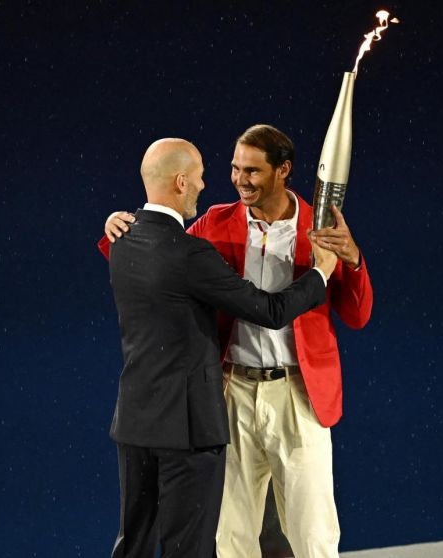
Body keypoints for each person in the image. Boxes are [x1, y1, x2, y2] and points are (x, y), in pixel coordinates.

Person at [99, 124, 374, 558]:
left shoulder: (317, 228)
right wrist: (119, 228)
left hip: (298, 396)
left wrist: (353, 260)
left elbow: (357, 315)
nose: (239, 180)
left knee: (313, 533)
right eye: (234, 168)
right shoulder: (214, 222)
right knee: (230, 537)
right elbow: (158, 263)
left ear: (283, 170)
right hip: (233, 394)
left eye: (252, 171)